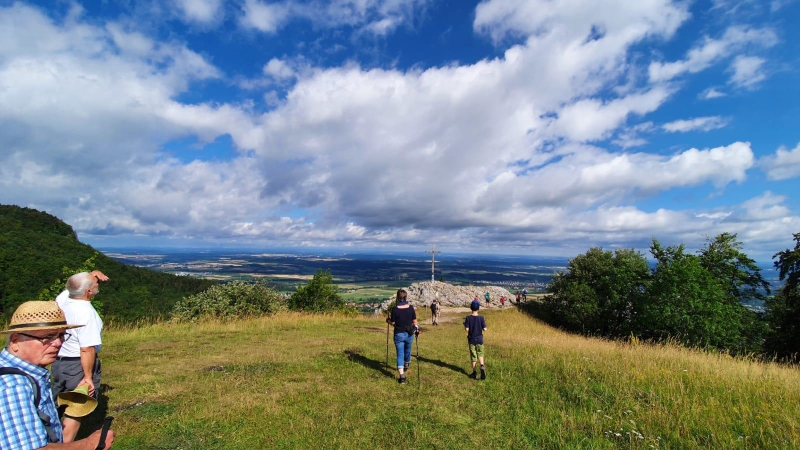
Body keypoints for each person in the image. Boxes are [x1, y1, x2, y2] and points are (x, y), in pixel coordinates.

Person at [0, 300, 115, 449]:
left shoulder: (29, 373)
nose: (58, 343)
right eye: (47, 337)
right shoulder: (13, 386)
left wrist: (76, 403)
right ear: (15, 341)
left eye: (61, 335)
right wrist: (88, 445)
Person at [53, 271, 108, 443]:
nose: (97, 283)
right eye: (94, 284)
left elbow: (72, 287)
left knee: (57, 402)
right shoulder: (86, 313)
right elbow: (86, 349)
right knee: (76, 407)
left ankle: (47, 439)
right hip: (77, 363)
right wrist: (87, 377)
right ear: (88, 292)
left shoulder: (63, 300)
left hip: (59, 362)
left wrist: (90, 275)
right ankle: (65, 445)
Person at [386, 289, 418, 384]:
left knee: (400, 354)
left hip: (399, 334)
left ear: (397, 297)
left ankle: (402, 376)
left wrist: (388, 320)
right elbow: (415, 321)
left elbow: (393, 322)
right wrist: (417, 329)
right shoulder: (411, 308)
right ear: (405, 297)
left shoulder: (395, 309)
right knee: (408, 350)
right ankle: (407, 363)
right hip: (409, 333)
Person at [464, 301, 487, 380]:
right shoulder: (481, 318)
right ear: (479, 308)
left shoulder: (468, 318)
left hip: (471, 340)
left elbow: (467, 329)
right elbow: (485, 329)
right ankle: (482, 366)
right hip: (480, 339)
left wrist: (466, 325)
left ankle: (474, 373)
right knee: (480, 353)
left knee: (473, 356)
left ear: (471, 308)